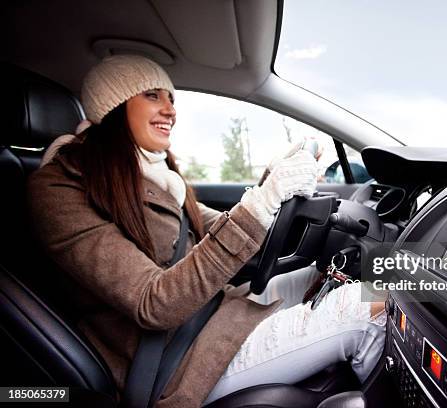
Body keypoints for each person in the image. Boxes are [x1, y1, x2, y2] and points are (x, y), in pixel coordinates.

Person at [28, 55, 386, 407]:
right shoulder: (60, 189)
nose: (170, 110)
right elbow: (155, 304)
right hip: (177, 363)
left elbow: (221, 228)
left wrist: (270, 186)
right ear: (114, 106)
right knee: (369, 306)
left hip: (215, 314)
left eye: (171, 98)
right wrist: (260, 204)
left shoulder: (157, 177)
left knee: (343, 279)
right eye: (153, 95)